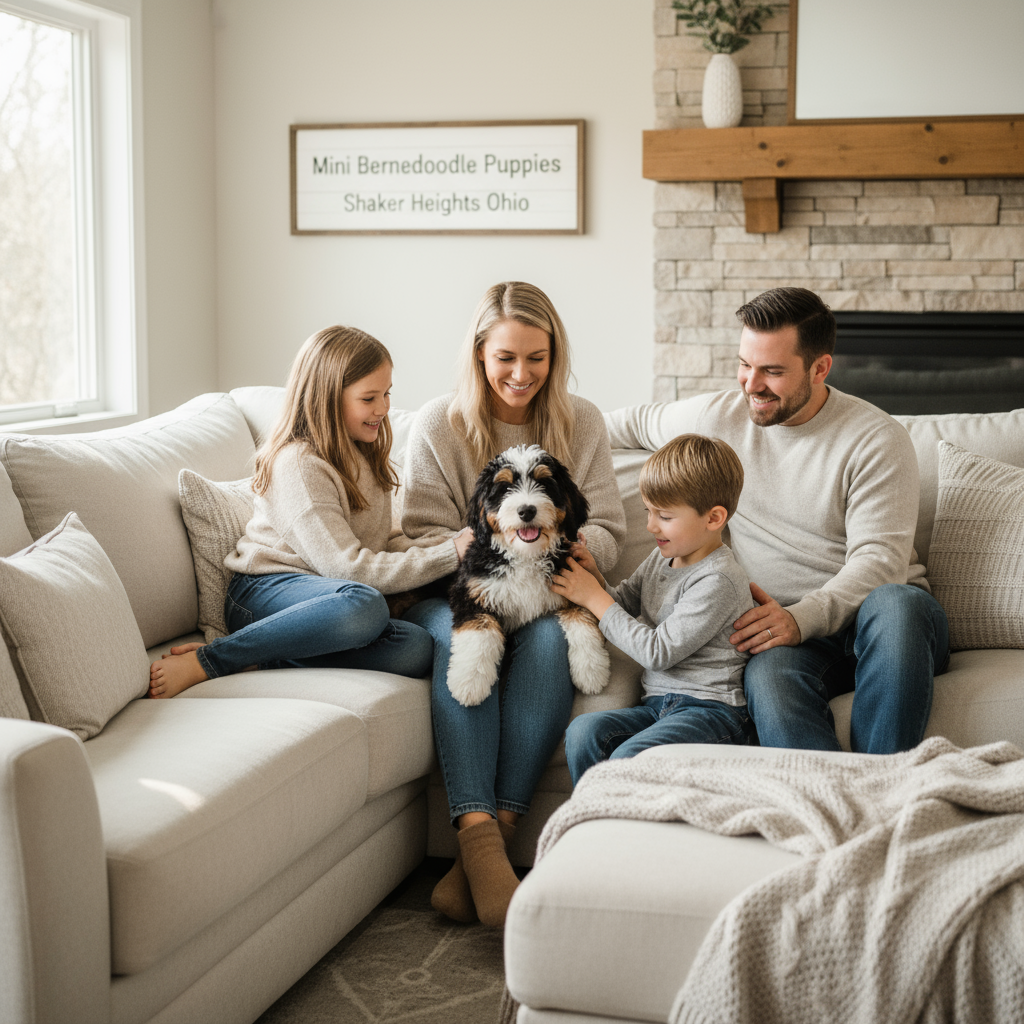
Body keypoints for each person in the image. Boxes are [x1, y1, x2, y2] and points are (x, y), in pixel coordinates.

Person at [606, 286, 949, 756]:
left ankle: (881, 785)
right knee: (766, 672)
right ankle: (816, 802)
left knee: (897, 603)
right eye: (745, 365)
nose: (751, 384)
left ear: (819, 367)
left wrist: (798, 618)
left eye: (772, 371)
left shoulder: (875, 439)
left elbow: (880, 564)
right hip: (787, 638)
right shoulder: (719, 417)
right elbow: (620, 424)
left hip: (883, 626)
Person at [401, 281, 626, 927]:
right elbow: (415, 536)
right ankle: (479, 844)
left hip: (545, 583)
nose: (521, 374)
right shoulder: (436, 424)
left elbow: (608, 525)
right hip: (456, 590)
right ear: (479, 354)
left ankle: (491, 840)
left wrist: (568, 550)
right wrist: (472, 546)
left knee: (555, 641)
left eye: (537, 357)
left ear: (555, 355)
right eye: (505, 358)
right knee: (462, 641)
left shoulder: (580, 421)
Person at [149, 325, 471, 700]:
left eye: (386, 394)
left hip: (328, 597)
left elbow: (380, 541)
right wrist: (449, 554)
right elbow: (348, 569)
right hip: (264, 592)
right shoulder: (298, 464)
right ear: (328, 399)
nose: (383, 408)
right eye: (369, 398)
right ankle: (214, 659)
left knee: (417, 646)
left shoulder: (364, 454)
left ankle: (260, 658)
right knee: (364, 604)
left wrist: (456, 543)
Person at [553, 433, 756, 783]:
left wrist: (592, 598)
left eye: (663, 515)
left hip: (712, 712)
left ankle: (618, 827)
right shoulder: (664, 557)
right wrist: (595, 580)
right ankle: (595, 827)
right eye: (649, 511)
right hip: (659, 706)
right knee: (584, 732)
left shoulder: (718, 579)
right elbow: (623, 604)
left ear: (714, 518)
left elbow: (657, 652)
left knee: (631, 757)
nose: (650, 526)